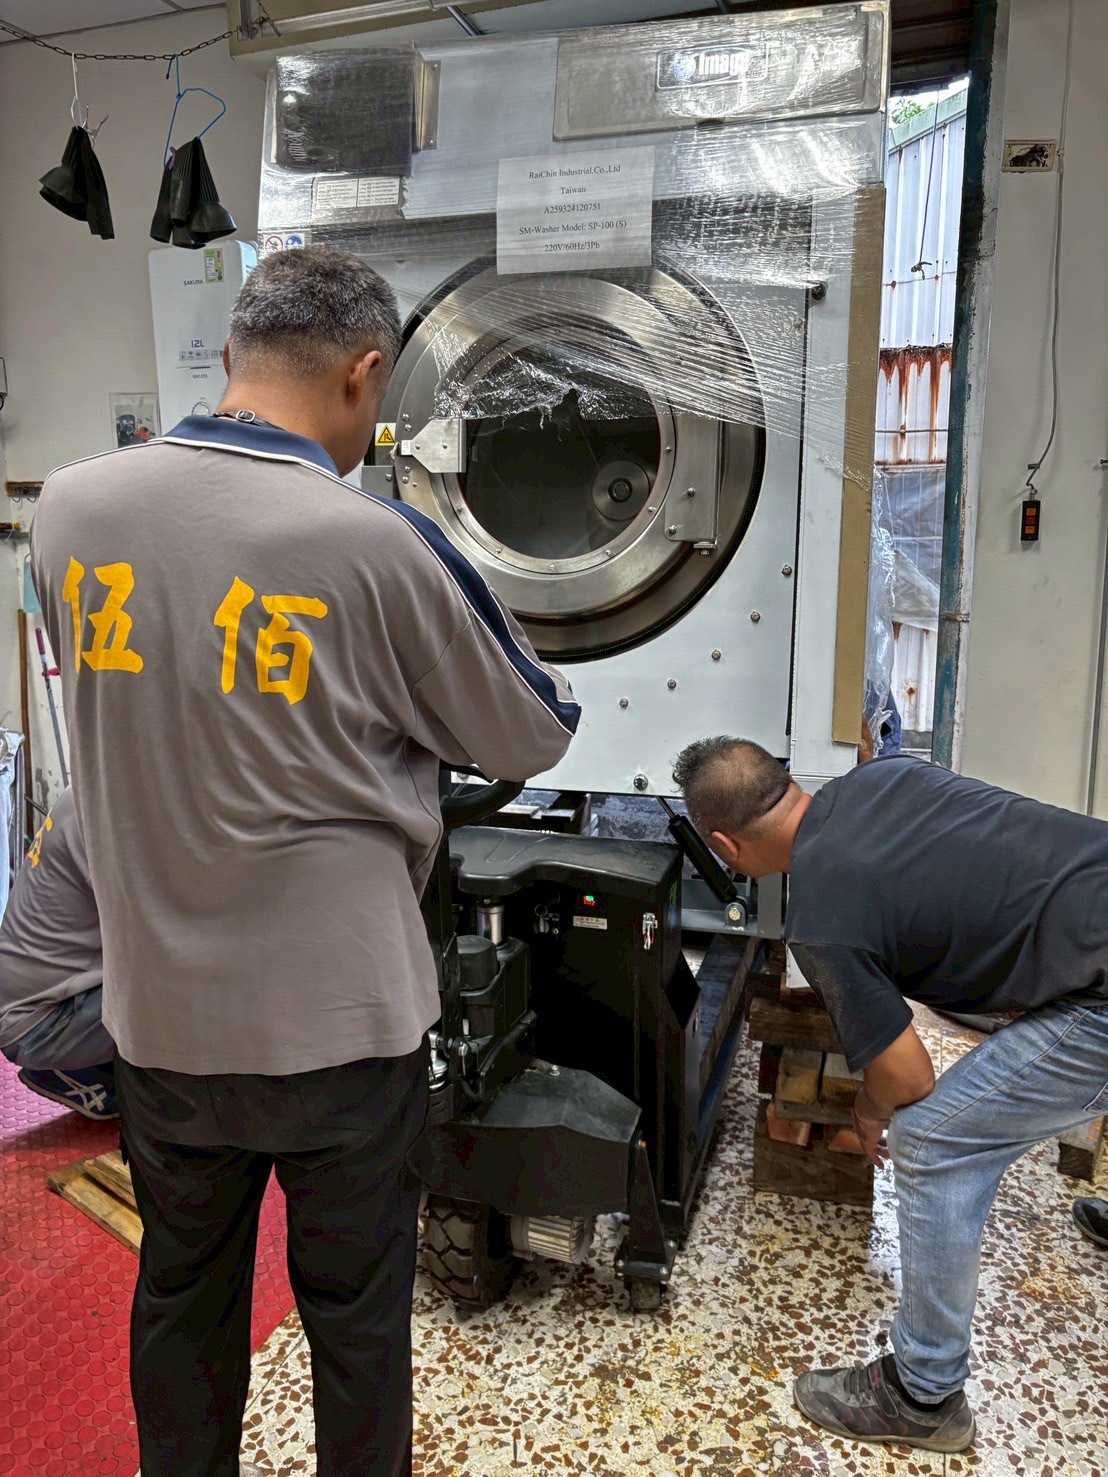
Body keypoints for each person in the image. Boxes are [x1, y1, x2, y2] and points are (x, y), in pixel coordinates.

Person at [30, 245, 580, 1477]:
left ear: (230, 355)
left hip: (162, 1019)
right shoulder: (377, 543)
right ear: (364, 373)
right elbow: (531, 732)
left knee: (182, 1298)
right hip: (342, 1025)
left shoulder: (69, 508)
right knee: (355, 1319)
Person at [672, 738, 1108, 1455]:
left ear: (724, 846)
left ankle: (923, 1394)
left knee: (933, 1138)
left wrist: (869, 1109)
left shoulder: (818, 913)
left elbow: (909, 1078)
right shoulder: (885, 775)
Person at [0, 787, 117, 1120]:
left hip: (35, 1002)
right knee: (193, 989)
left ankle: (99, 1070)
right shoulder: (115, 818)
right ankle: (82, 1072)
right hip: (41, 1023)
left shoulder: (88, 788)